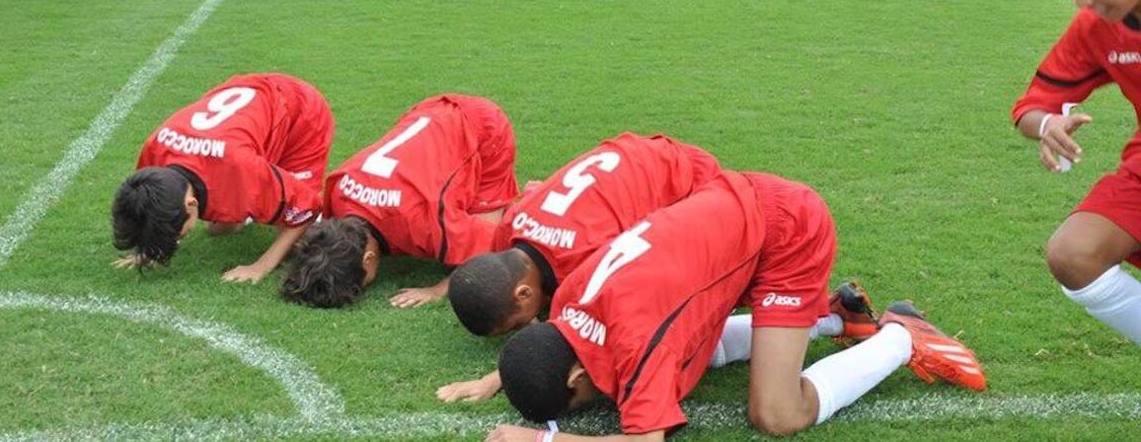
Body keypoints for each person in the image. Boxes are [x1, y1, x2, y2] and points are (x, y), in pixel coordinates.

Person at [489, 171, 986, 441]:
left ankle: (902, 334)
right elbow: (559, 344)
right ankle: (838, 317)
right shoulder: (572, 299)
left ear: (576, 377)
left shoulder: (634, 335)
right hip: (731, 209)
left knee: (776, 413)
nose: (600, 401)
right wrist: (503, 374)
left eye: (584, 398)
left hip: (787, 230)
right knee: (672, 361)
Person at [441, 133, 726, 403]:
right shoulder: (511, 226)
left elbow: (583, 332)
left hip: (692, 181)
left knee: (671, 300)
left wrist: (495, 378)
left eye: (516, 324)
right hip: (638, 155)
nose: (525, 327)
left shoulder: (584, 263)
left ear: (524, 293)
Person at [1012, 0, 1141, 349]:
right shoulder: (1097, 27)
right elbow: (1032, 105)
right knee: (1074, 253)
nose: (1080, 1)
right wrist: (1048, 125)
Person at [280, 94, 519, 309]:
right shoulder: (339, 192)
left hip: (482, 127)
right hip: (427, 110)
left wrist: (437, 290)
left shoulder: (424, 222)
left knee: (483, 258)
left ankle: (533, 198)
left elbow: (491, 246)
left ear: (369, 259)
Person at [112, 73, 334, 283]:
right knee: (219, 227)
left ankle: (250, 210)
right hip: (246, 98)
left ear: (191, 204)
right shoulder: (153, 154)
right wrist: (150, 246)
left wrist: (261, 266)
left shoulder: (240, 168)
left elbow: (307, 209)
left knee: (298, 239)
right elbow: (148, 210)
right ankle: (239, 215)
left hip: (300, 110)